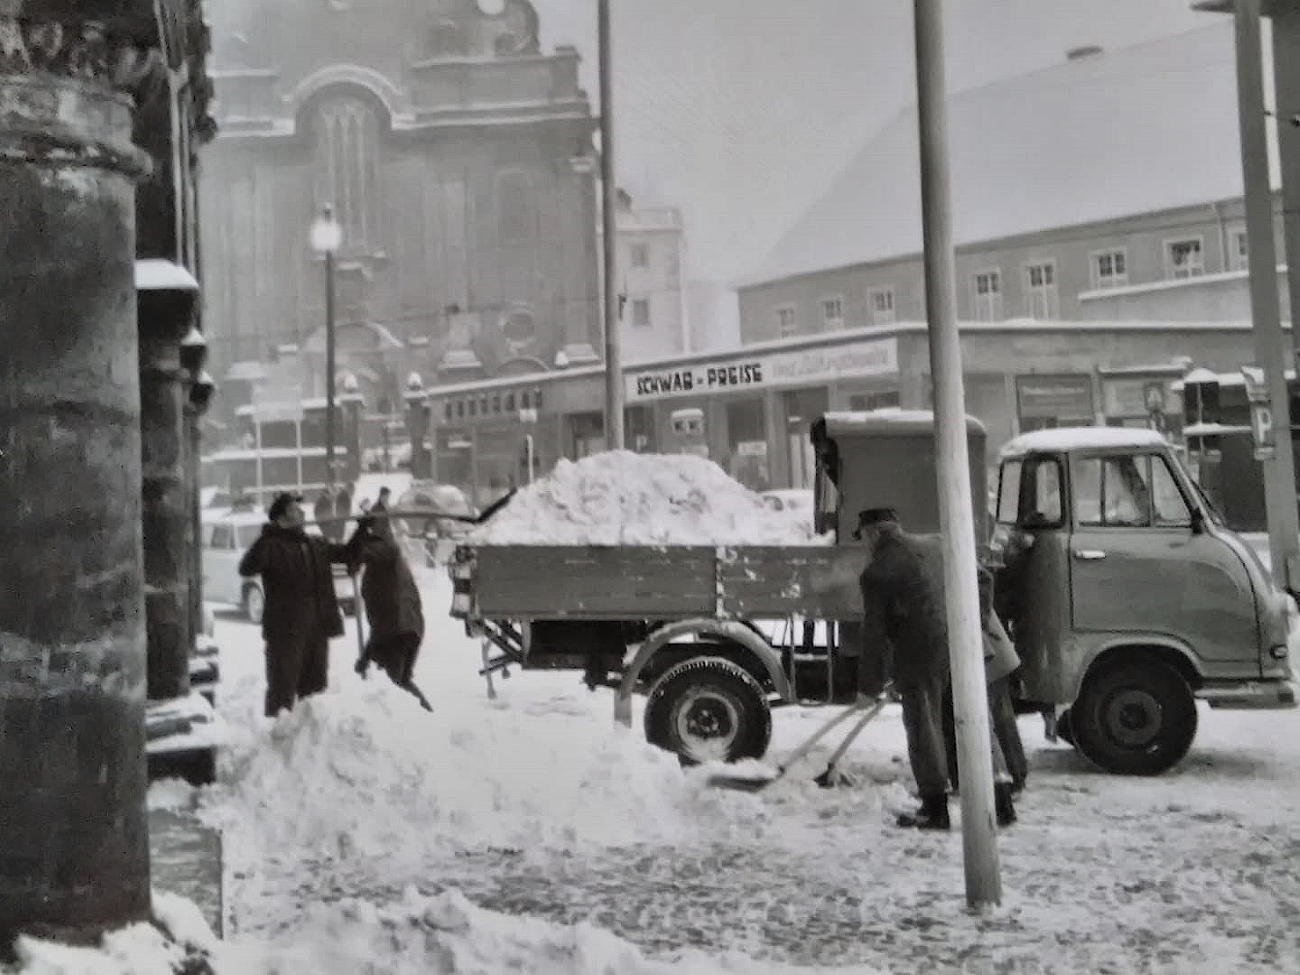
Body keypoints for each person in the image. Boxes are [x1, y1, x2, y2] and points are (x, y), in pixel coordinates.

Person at [855, 507, 1016, 830]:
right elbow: (983, 578)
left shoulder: (877, 572)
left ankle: (934, 808)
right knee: (974, 719)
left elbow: (874, 634)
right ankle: (1001, 802)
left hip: (920, 655)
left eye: (863, 539)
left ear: (873, 535)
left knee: (924, 726)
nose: (864, 546)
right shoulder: (942, 544)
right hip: (965, 644)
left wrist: (868, 687)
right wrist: (978, 623)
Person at [239, 491, 360, 717]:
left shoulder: (315, 544)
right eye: (295, 510)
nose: (303, 512)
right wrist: (268, 535)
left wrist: (363, 530)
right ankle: (277, 739)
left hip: (317, 628)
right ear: (282, 519)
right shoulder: (272, 546)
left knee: (315, 690)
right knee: (282, 689)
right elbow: (246, 568)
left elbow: (348, 554)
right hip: (286, 632)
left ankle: (309, 743)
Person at [351, 514, 431, 710]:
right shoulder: (384, 563)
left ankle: (423, 715)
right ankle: (423, 714)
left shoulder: (388, 552)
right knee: (402, 680)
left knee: (399, 682)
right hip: (408, 627)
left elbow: (384, 622)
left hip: (400, 630)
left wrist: (365, 657)